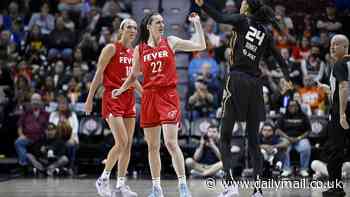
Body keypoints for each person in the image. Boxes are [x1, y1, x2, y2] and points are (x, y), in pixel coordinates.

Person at [195, 0, 291, 196]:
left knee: (225, 136)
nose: (240, 5)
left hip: (237, 79)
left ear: (246, 8)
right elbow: (280, 59)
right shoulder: (265, 32)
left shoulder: (242, 20)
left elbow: (220, 17)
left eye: (243, 3)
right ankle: (257, 190)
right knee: (254, 141)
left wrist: (203, 4)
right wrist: (287, 79)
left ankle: (231, 186)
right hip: (255, 84)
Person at [113, 12, 206, 197]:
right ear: (148, 26)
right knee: (152, 146)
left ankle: (183, 186)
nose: (162, 25)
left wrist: (197, 25)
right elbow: (133, 76)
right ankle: (157, 188)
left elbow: (201, 45)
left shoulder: (170, 41)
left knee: (171, 143)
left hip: (168, 95)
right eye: (158, 22)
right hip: (149, 98)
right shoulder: (139, 49)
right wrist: (121, 90)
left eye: (163, 22)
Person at [84, 18, 140, 197]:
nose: (132, 30)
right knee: (121, 142)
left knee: (128, 145)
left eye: (135, 28)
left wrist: (147, 96)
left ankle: (121, 185)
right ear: (122, 29)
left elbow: (133, 80)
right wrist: (90, 98)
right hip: (112, 97)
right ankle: (103, 178)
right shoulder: (111, 48)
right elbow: (98, 75)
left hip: (129, 98)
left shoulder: (133, 53)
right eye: (129, 27)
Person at [317, 34, 350, 197]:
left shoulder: (340, 64)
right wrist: (329, 90)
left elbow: (344, 88)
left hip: (341, 110)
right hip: (344, 105)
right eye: (331, 44)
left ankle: (336, 188)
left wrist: (342, 113)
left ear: (345, 47)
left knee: (334, 150)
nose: (332, 47)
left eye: (336, 44)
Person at [275, 100, 312, 177]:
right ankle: (286, 169)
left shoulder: (303, 116)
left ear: (298, 107)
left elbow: (308, 131)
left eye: (295, 105)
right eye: (290, 106)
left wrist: (299, 138)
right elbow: (278, 130)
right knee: (283, 147)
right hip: (286, 138)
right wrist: (288, 137)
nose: (293, 107)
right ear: (287, 107)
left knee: (306, 147)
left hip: (300, 138)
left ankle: (303, 169)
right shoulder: (283, 116)